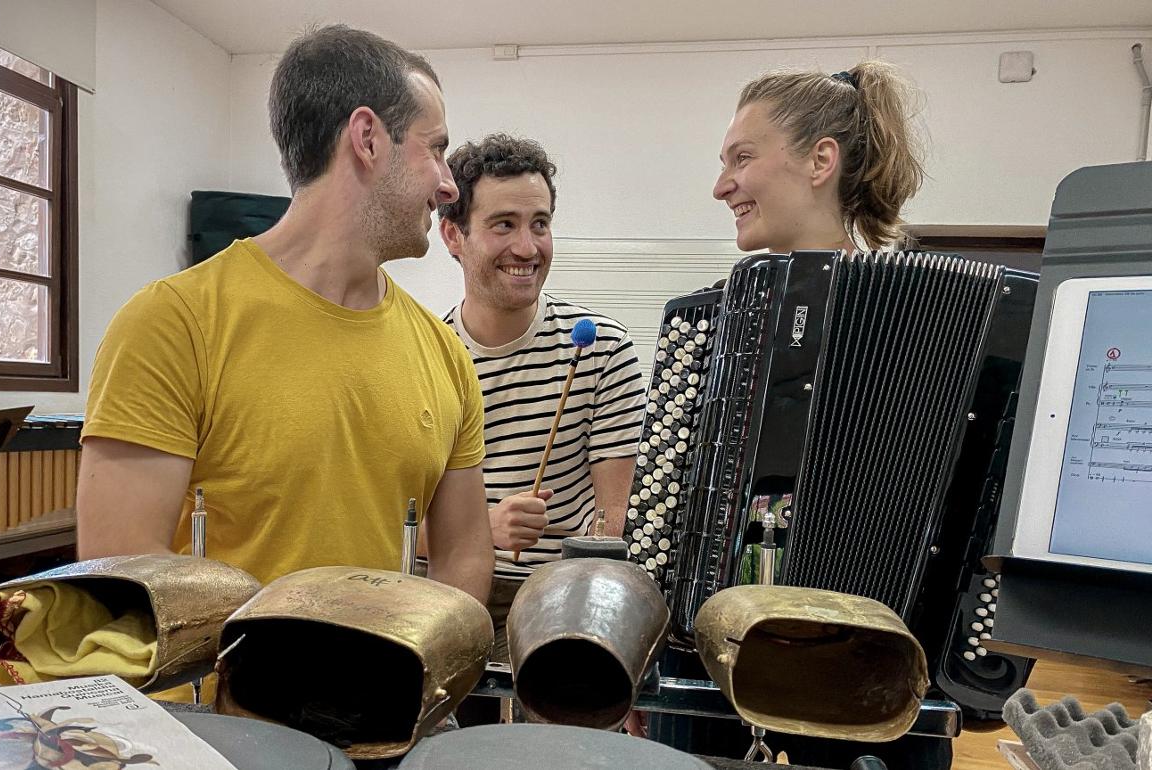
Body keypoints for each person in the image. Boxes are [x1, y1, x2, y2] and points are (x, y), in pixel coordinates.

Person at [76, 25, 493, 603]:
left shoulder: (444, 355)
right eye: (437, 148)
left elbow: (466, 552)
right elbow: (117, 565)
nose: (448, 184)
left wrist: (421, 670)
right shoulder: (173, 324)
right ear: (367, 138)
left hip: (388, 694)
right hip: (211, 696)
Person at [649, 61, 947, 767]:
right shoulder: (708, 326)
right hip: (719, 681)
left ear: (821, 161)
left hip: (879, 687)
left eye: (741, 159)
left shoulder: (923, 314)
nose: (722, 184)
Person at [436, 134, 646, 661]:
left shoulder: (603, 348)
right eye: (503, 224)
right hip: (450, 599)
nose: (528, 248)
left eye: (541, 224)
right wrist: (481, 530)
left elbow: (613, 520)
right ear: (452, 235)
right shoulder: (424, 357)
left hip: (565, 606)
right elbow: (397, 522)